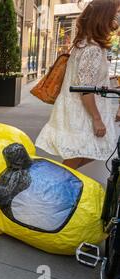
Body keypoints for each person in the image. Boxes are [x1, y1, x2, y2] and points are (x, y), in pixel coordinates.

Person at [36, 0, 120, 170]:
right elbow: (85, 89)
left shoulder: (86, 43)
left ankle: (61, 183)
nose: (116, 20)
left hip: (79, 109)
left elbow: (88, 79)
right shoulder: (92, 49)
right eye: (114, 16)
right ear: (103, 19)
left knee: (88, 153)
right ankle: (56, 187)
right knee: (80, 155)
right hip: (83, 113)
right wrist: (97, 119)